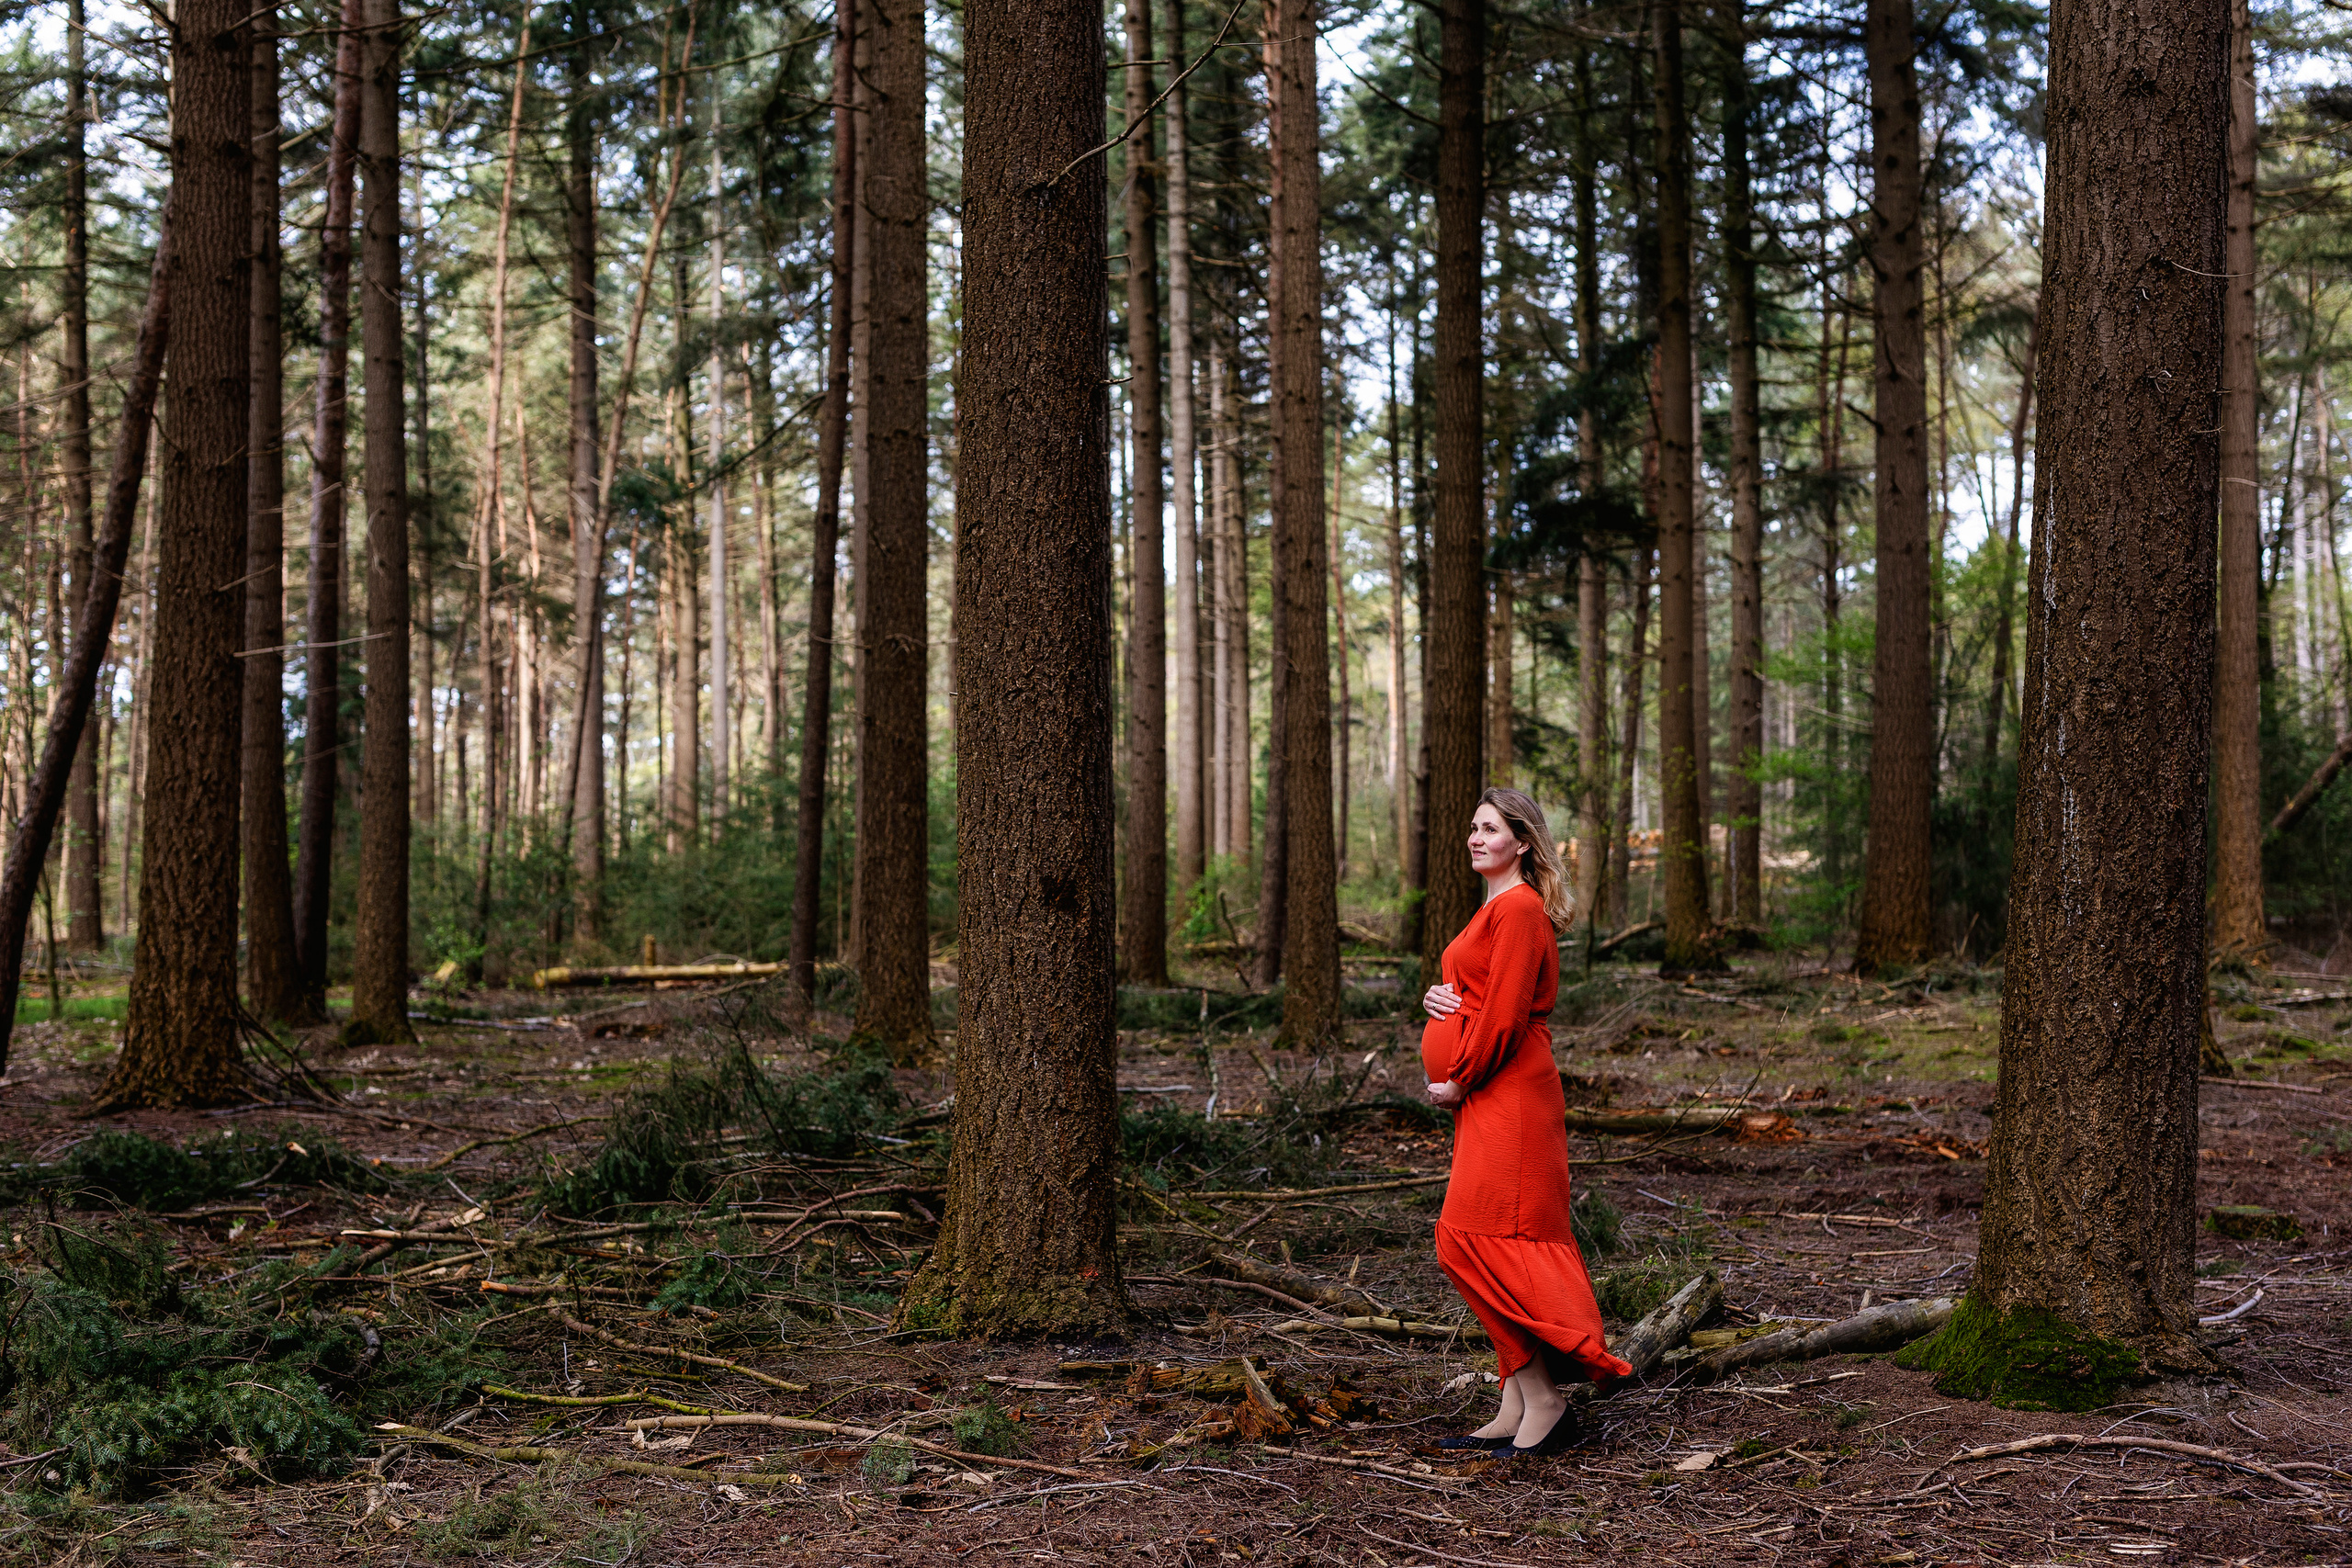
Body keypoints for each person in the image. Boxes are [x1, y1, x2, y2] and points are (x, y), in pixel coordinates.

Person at [1420, 787, 1630, 1458]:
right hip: (1494, 1094)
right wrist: (1442, 999)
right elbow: (1485, 995)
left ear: (1523, 841)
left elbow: (1508, 1018)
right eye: (1472, 827)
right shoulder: (1498, 907)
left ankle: (1545, 1398)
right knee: (1489, 1237)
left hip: (1508, 1094)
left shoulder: (1518, 907)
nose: (1475, 837)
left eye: (1489, 828)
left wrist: (1458, 1076)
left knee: (1471, 1239)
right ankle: (1516, 1400)